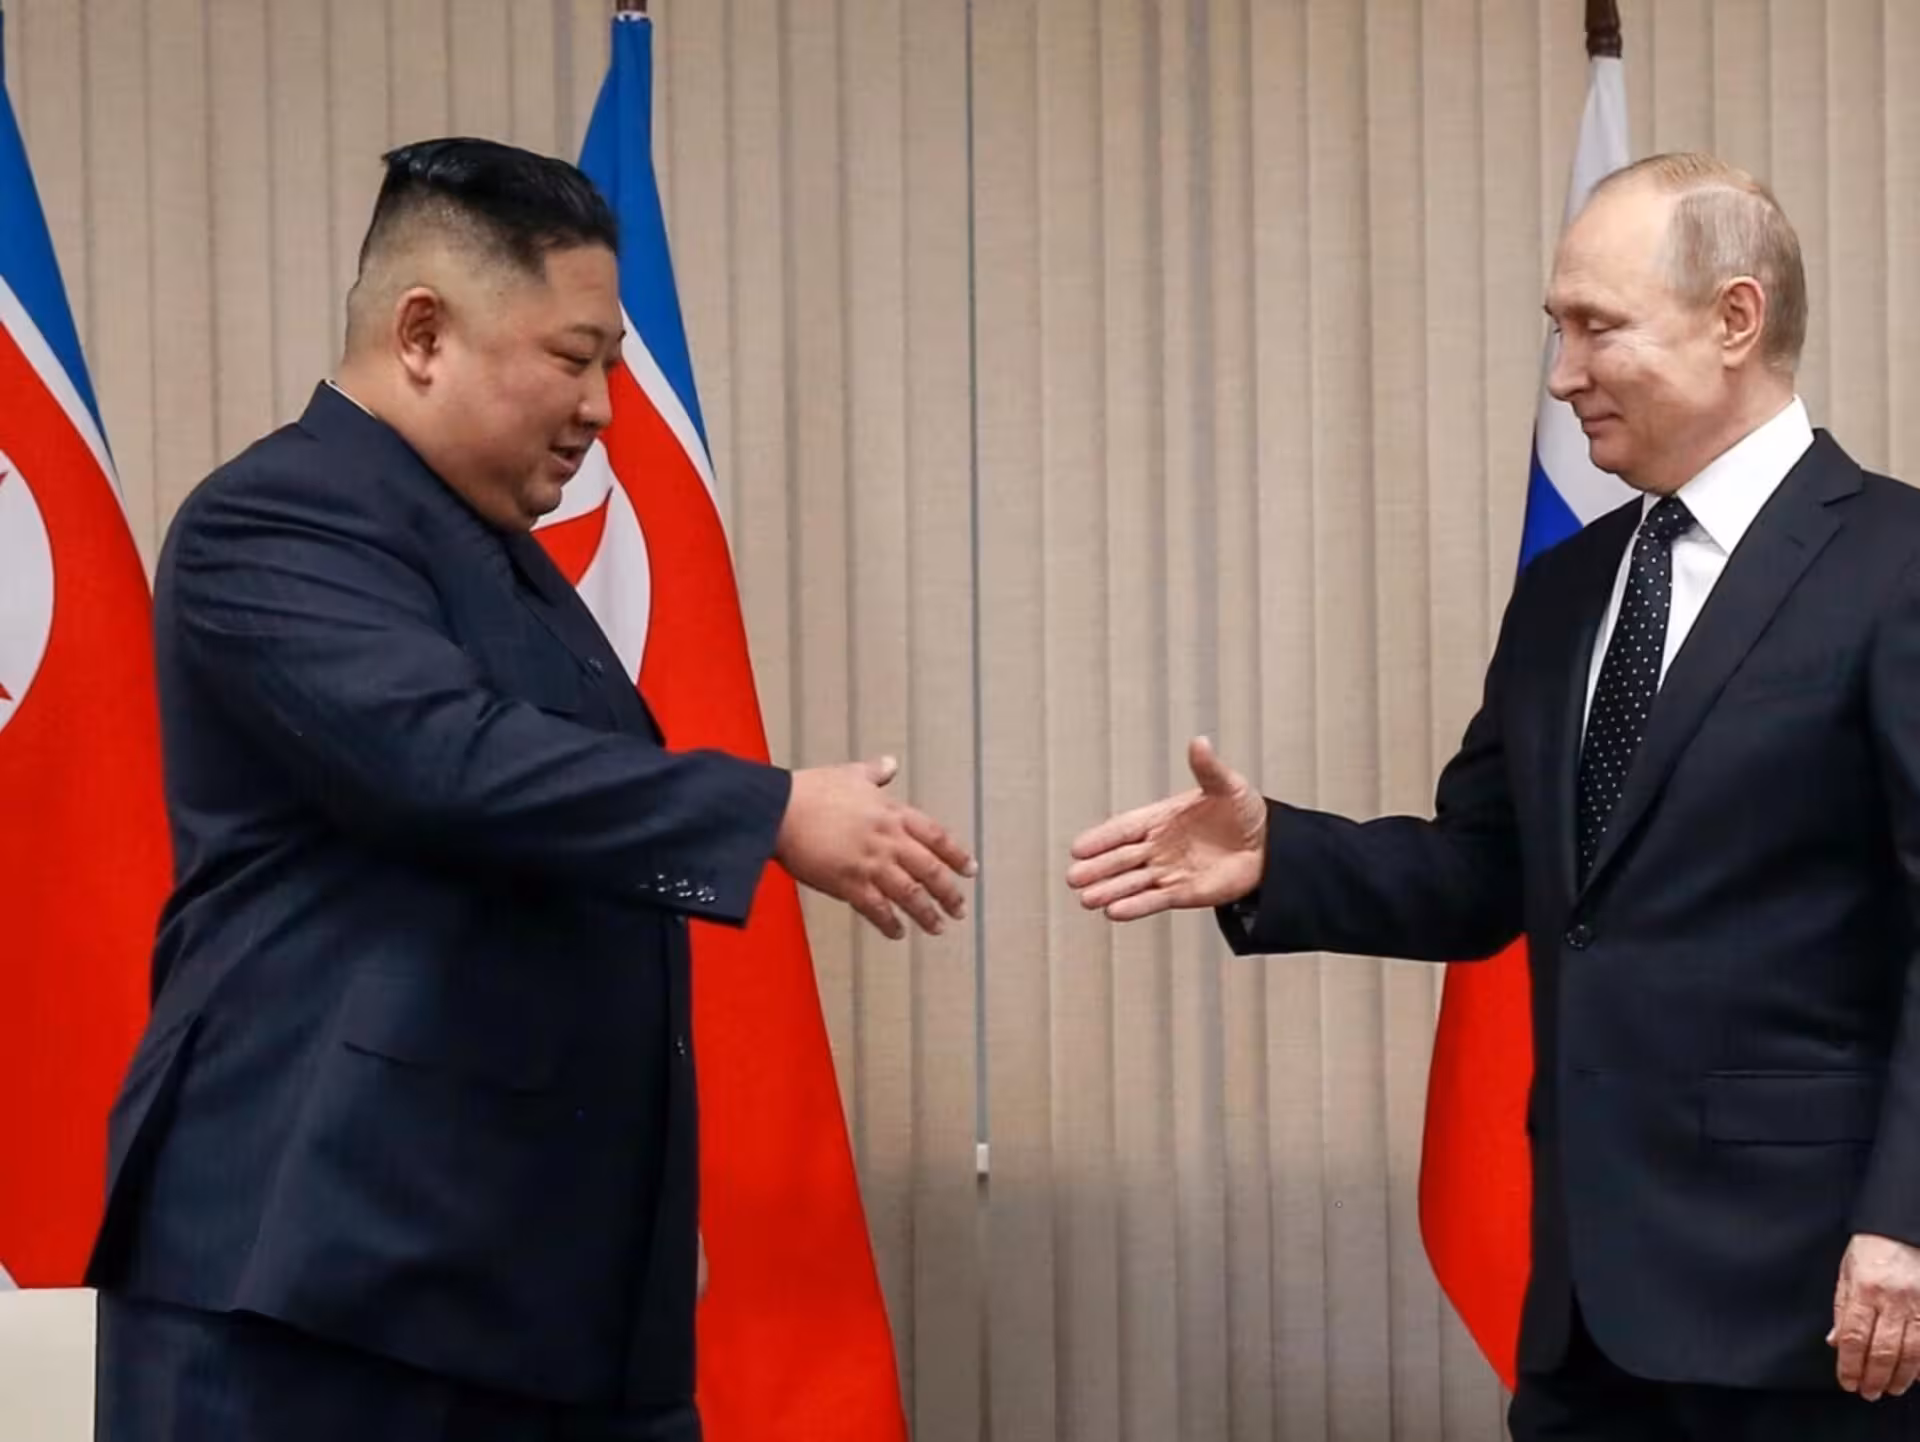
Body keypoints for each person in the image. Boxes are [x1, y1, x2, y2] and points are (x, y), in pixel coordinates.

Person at [86, 137, 974, 1442]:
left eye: (610, 364)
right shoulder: (274, 519)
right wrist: (767, 811)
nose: (604, 408)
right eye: (573, 358)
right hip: (315, 1284)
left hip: (518, 1288)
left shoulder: (494, 557)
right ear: (424, 334)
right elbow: (445, 760)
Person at [1068, 152, 1920, 1441]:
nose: (1564, 374)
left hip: (1820, 1303)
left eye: (1598, 327)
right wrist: (1277, 854)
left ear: (1736, 320)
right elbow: (1488, 871)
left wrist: (1905, 1221)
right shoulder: (1571, 587)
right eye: (1555, 329)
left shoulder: (1896, 566)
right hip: (1585, 1313)